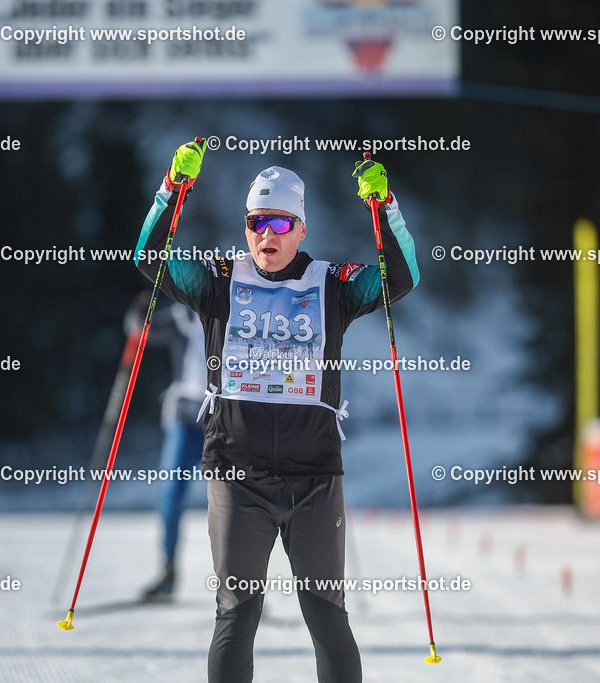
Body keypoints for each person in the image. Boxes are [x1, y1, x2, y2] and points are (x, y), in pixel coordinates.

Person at [134, 139, 420, 683]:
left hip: (315, 480)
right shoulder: (218, 278)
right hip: (237, 478)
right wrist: (172, 189)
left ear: (302, 230)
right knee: (237, 614)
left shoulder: (332, 285)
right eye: (258, 221)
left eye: (282, 223)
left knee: (327, 616)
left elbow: (400, 279)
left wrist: (385, 209)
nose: (268, 234)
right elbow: (148, 259)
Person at [139, 303, 207, 601]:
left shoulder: (237, 309)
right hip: (184, 419)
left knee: (239, 499)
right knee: (170, 493)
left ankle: (243, 584)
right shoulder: (182, 317)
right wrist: (140, 310)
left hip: (224, 420)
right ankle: (167, 571)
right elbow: (141, 331)